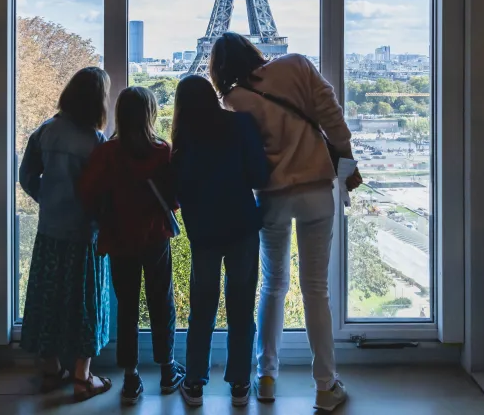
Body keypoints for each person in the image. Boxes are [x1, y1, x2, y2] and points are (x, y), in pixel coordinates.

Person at [209, 32, 362, 413]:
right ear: (253, 50)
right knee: (316, 290)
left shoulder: (232, 99)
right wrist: (347, 158)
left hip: (272, 196)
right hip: (315, 190)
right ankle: (325, 384)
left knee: (273, 286)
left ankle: (266, 377)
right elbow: (332, 116)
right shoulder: (296, 65)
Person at [77, 86, 186, 405]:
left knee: (127, 308)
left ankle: (130, 378)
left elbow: (86, 191)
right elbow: (173, 199)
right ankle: (167, 371)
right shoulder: (161, 150)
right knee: (161, 301)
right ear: (150, 114)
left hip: (119, 237)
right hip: (154, 237)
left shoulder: (107, 153)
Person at [170, 75, 270, 408]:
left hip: (204, 235)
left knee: (202, 310)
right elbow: (259, 175)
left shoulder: (184, 140)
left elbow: (176, 192)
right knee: (241, 308)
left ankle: (195, 382)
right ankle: (240, 384)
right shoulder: (241, 125)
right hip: (241, 227)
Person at [18, 67, 113, 402]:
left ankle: (50, 369)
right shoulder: (95, 140)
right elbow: (103, 191)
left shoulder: (46, 131)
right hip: (84, 233)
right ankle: (82, 376)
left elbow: (26, 174)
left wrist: (47, 198)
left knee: (48, 300)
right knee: (86, 304)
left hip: (50, 231)